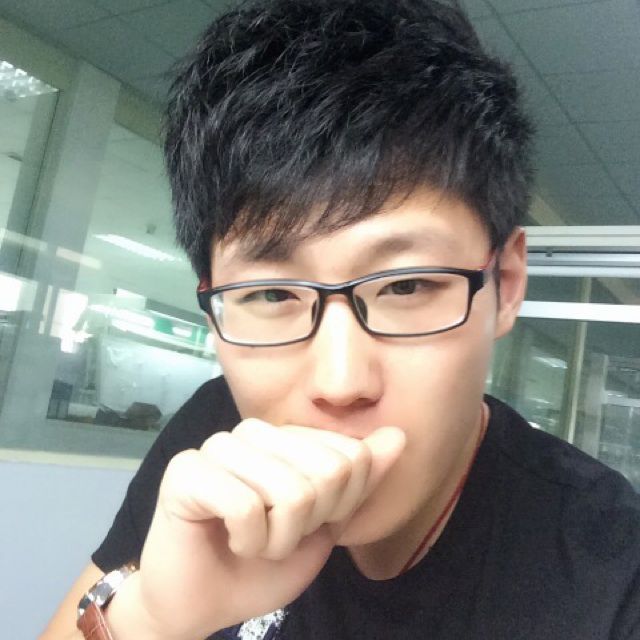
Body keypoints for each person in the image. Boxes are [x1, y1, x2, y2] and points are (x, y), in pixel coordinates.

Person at [42, 1, 640, 639]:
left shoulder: (612, 579)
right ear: (214, 313)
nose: (340, 381)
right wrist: (153, 621)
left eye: (406, 285)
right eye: (272, 294)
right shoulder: (215, 433)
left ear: (507, 285)